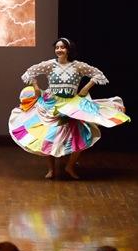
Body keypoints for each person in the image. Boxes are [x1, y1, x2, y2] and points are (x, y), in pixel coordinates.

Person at [9, 38, 130, 179]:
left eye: (62, 47)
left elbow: (98, 74)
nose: (59, 50)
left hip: (71, 104)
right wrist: (36, 87)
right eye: (57, 47)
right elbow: (30, 72)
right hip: (52, 104)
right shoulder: (50, 65)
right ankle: (51, 169)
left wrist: (85, 88)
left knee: (80, 137)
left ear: (68, 49)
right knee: (48, 137)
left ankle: (70, 166)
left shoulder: (78, 66)